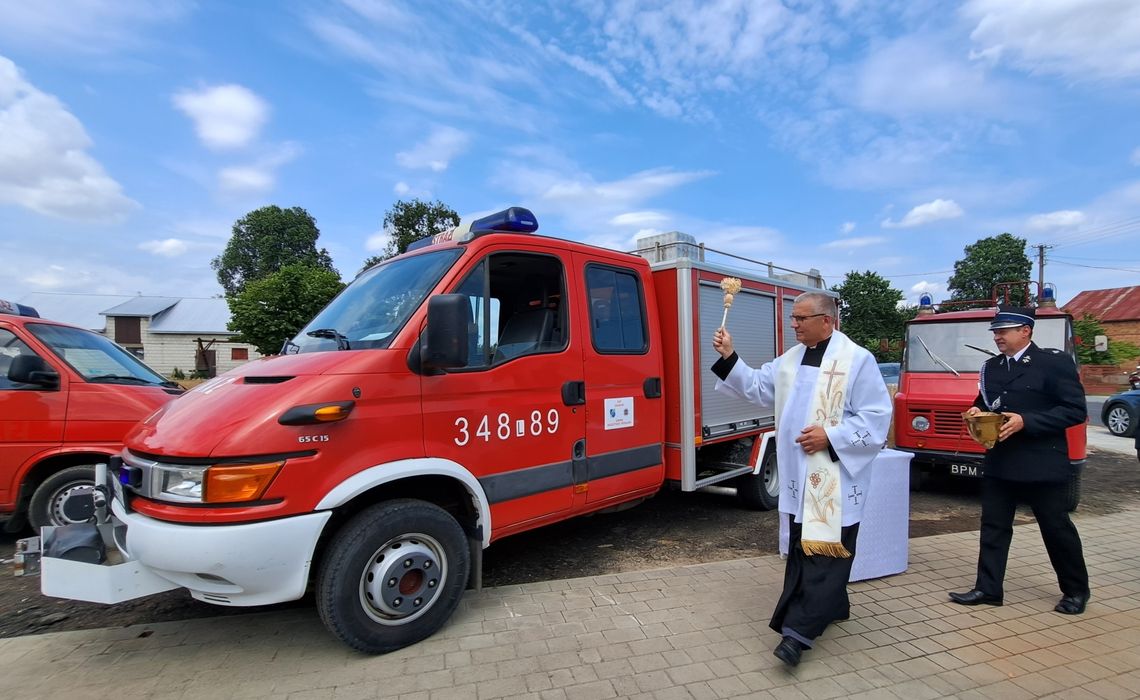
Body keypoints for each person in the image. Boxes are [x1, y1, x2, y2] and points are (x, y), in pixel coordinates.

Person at [711, 291, 892, 667]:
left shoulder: (857, 359)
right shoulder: (791, 360)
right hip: (798, 475)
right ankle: (834, 606)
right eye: (792, 318)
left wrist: (832, 436)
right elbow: (758, 386)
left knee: (824, 554)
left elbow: (876, 417)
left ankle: (797, 634)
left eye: (801, 318)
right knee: (804, 548)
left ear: (826, 321)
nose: (793, 324)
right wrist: (729, 355)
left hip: (834, 479)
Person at [948, 305, 1090, 615]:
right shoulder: (992, 367)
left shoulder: (1053, 363)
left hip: (1041, 462)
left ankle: (1076, 591)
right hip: (1001, 459)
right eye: (996, 332)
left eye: (1003, 331)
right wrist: (976, 411)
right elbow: (987, 401)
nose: (997, 336)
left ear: (1025, 331)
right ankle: (988, 589)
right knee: (994, 527)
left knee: (1056, 529)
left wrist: (1027, 421)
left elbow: (1075, 411)